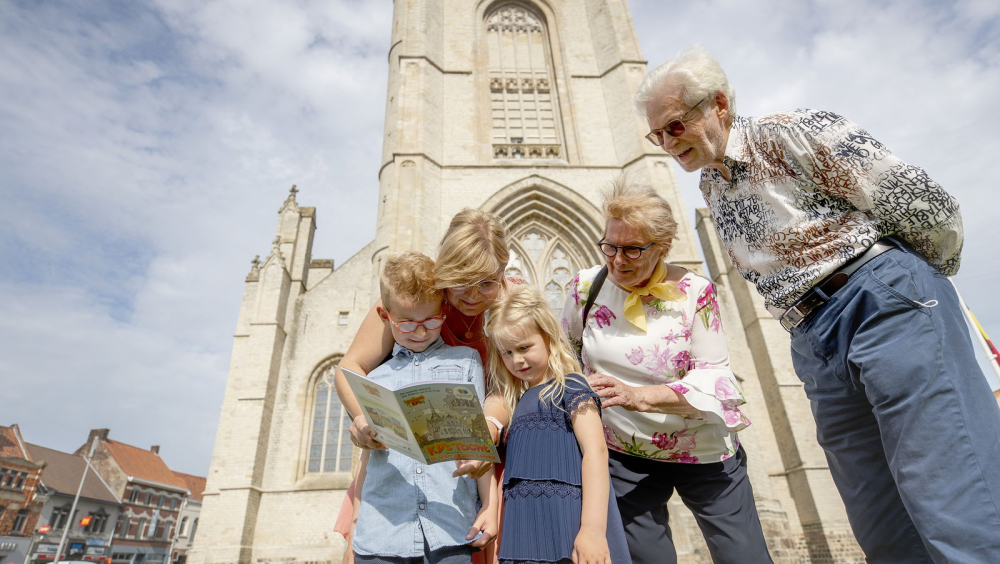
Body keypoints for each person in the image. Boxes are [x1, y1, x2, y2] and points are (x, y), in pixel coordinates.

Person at [633, 45, 1000, 563]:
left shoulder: (793, 130)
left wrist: (914, 289)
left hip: (878, 300)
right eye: (658, 135)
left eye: (675, 127)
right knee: (879, 522)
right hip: (812, 339)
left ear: (718, 104)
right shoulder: (713, 186)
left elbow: (926, 206)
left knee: (950, 495)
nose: (668, 144)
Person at [561, 179, 771, 564]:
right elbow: (568, 360)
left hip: (701, 448)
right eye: (610, 246)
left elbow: (713, 377)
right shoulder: (584, 289)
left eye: (633, 249)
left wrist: (639, 396)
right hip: (624, 452)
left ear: (662, 247)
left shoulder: (696, 291)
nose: (618, 260)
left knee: (744, 556)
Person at [333, 209, 514, 563]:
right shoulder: (415, 299)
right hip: (403, 470)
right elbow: (349, 367)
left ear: (503, 274)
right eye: (463, 279)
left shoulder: (512, 303)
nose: (474, 294)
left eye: (487, 282)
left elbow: (508, 386)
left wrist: (488, 427)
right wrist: (362, 418)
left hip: (479, 457)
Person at [484, 285, 631, 564]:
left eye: (524, 347)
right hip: (524, 533)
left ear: (548, 338)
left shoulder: (572, 386)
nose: (517, 359)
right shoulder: (516, 403)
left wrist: (592, 530)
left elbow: (596, 453)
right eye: (507, 352)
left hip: (567, 524)